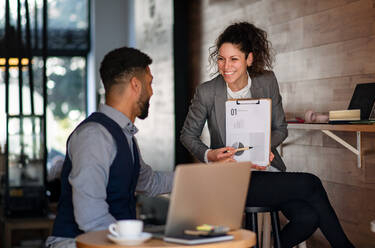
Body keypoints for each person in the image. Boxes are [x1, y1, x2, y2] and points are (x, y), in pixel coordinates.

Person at [180, 22, 355, 248]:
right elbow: (187, 135)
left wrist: (264, 147)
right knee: (311, 183)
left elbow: (280, 128)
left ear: (249, 59)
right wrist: (210, 155)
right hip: (232, 179)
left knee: (307, 217)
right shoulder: (207, 92)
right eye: (221, 59)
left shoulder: (267, 81)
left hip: (267, 171)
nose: (226, 66)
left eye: (234, 59)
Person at [46, 47, 173, 248]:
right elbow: (91, 216)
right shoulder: (94, 137)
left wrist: (201, 174)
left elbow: (148, 182)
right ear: (136, 85)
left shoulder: (124, 134)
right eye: (150, 83)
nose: (152, 91)